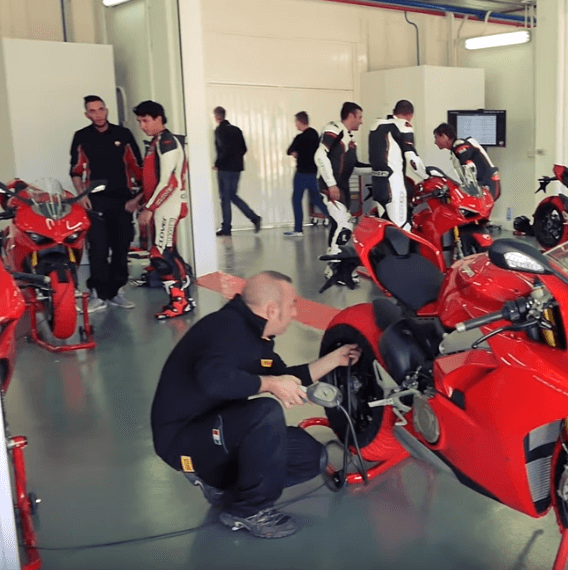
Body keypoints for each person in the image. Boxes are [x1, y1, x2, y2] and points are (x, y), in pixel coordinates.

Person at [150, 270, 361, 538]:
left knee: (311, 457)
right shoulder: (225, 329)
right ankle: (247, 511)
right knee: (265, 412)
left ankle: (226, 489)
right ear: (272, 310)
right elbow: (212, 381)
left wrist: (335, 359)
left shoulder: (256, 335)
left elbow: (286, 377)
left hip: (221, 429)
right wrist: (271, 385)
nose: (295, 313)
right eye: (291, 305)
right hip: (182, 439)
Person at [69, 95, 143, 312]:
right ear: (87, 114)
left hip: (122, 200)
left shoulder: (123, 134)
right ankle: (98, 294)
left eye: (101, 109)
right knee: (98, 249)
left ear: (106, 110)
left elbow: (137, 167)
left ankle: (116, 291)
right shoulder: (81, 137)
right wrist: (82, 196)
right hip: (95, 201)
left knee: (121, 247)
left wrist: (137, 199)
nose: (98, 114)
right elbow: (75, 171)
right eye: (92, 111)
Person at [128, 100, 195, 320]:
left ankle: (179, 302)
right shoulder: (157, 141)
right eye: (139, 121)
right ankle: (184, 297)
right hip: (162, 206)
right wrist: (139, 200)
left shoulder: (167, 141)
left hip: (169, 207)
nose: (142, 126)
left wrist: (149, 209)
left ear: (158, 118)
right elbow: (153, 180)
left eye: (145, 120)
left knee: (159, 255)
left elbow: (169, 183)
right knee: (169, 252)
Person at [316, 102, 369, 278]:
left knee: (342, 224)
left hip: (342, 188)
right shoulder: (334, 129)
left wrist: (381, 170)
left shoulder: (349, 139)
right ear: (351, 116)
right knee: (342, 224)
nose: (361, 122)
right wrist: (331, 184)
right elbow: (320, 155)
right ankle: (334, 268)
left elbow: (354, 167)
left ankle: (337, 267)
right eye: (359, 117)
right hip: (330, 188)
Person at [368, 100, 428, 229]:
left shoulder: (376, 125)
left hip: (378, 184)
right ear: (410, 115)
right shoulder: (403, 126)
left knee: (385, 227)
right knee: (402, 229)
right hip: (394, 186)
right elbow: (412, 160)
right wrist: (427, 175)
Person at [213, 106, 261, 237]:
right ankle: (254, 218)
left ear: (217, 117)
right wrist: (236, 159)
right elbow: (244, 148)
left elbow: (223, 149)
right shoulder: (236, 130)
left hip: (225, 169)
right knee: (232, 196)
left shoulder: (219, 130)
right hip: (237, 168)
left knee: (225, 198)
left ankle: (227, 228)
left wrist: (217, 163)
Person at [283, 111, 327, 237]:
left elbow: (289, 150)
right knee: (316, 199)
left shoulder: (300, 138)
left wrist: (295, 153)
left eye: (296, 122)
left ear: (300, 121)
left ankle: (298, 229)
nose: (295, 125)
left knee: (296, 199)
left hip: (301, 174)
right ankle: (334, 219)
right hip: (313, 173)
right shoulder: (315, 135)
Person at [433, 123, 500, 201]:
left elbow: (469, 165)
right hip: (487, 185)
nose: (435, 142)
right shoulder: (456, 149)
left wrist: (470, 190)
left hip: (488, 185)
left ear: (444, 136)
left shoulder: (460, 146)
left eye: (436, 137)